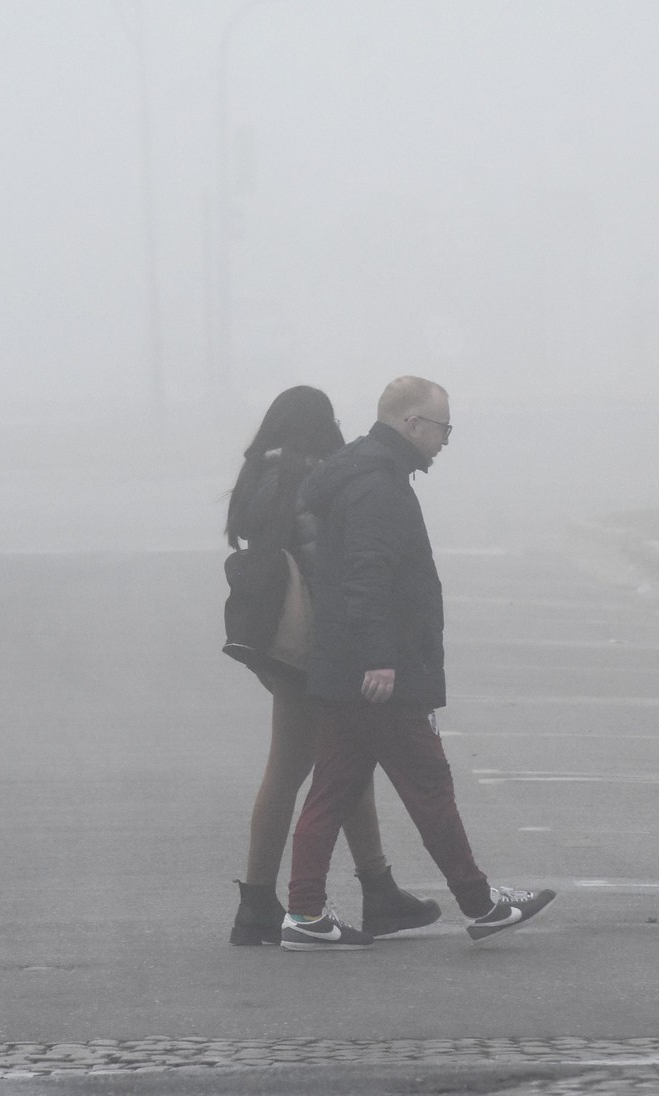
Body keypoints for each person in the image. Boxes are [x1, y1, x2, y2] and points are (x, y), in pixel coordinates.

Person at [280, 376, 556, 950]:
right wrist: (382, 660)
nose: (446, 440)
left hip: (344, 668)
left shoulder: (363, 473)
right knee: (428, 784)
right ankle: (480, 903)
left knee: (331, 788)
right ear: (411, 424)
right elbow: (369, 575)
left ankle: (304, 914)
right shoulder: (377, 485)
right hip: (380, 675)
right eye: (442, 427)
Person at [223, 385, 440, 945]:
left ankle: (375, 888)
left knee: (344, 764)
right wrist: (366, 643)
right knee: (296, 771)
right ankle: (260, 906)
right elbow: (330, 570)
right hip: (312, 647)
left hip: (277, 641)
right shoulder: (305, 480)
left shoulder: (258, 476)